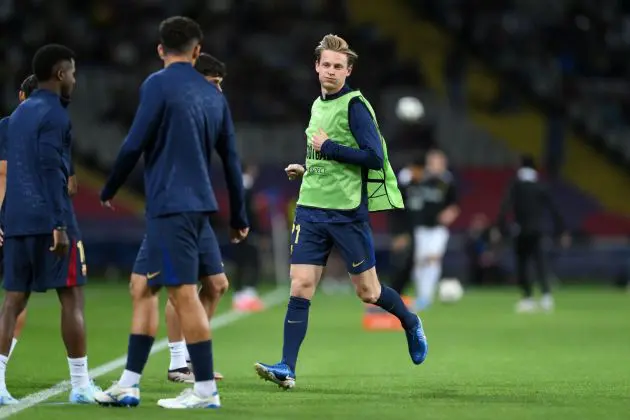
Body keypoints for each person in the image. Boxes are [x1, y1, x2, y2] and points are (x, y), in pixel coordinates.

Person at [254, 34, 428, 390]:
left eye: (338, 66)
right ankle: (287, 367)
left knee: (369, 292)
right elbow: (321, 156)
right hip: (310, 210)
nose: (331, 71)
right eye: (326, 65)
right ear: (316, 66)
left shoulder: (356, 106)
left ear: (348, 71)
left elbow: (373, 157)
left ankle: (410, 321)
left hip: (346, 213)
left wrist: (329, 148)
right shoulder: (317, 105)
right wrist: (307, 169)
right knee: (300, 285)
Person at [95, 17, 248, 410]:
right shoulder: (215, 97)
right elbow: (231, 160)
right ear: (197, 51)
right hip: (197, 205)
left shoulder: (157, 84)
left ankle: (204, 391)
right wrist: (239, 216)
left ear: (161, 50)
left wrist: (111, 187)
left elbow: (133, 143)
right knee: (141, 286)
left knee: (183, 293)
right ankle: (129, 384)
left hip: (170, 204)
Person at [0, 45, 99, 405]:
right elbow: (47, 167)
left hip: (17, 221)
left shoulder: (18, 115)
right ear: (59, 74)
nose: (74, 79)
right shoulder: (55, 113)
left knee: (13, 300)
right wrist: (59, 223)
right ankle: (80, 385)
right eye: (71, 72)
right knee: (71, 298)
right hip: (50, 220)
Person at [0, 74, 80, 386]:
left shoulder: (16, 127)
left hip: (23, 224)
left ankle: (1, 377)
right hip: (30, 224)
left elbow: (68, 183)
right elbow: (69, 185)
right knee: (21, 299)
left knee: (17, 299)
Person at [157, 52, 229, 383]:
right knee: (180, 286)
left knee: (216, 284)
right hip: (173, 208)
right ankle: (178, 363)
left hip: (198, 208)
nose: (219, 91)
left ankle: (189, 356)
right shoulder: (174, 110)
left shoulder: (206, 113)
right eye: (214, 83)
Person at [495, 154, 569, 313]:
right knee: (541, 263)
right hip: (539, 230)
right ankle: (546, 297)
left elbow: (505, 207)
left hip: (521, 231)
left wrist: (500, 227)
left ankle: (527, 298)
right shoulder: (540, 186)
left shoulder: (516, 185)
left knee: (523, 265)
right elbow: (554, 209)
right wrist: (561, 229)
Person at [408, 150, 459, 311]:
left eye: (438, 162)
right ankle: (421, 295)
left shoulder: (448, 181)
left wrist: (449, 214)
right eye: (432, 162)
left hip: (438, 229)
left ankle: (426, 297)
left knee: (433, 259)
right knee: (420, 262)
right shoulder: (420, 179)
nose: (435, 166)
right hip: (421, 227)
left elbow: (455, 205)